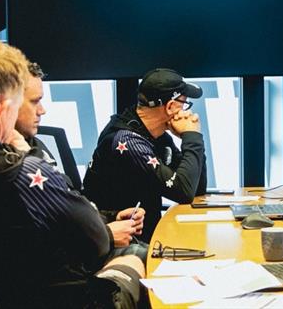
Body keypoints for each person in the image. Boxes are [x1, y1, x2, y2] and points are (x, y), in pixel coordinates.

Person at [0, 38, 145, 308]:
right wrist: (28, 154)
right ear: (0, 111)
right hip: (63, 300)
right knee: (137, 255)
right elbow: (100, 242)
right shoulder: (25, 172)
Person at [14, 61, 147, 251]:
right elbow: (40, 237)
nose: (42, 110)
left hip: (91, 238)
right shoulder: (9, 165)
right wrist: (106, 235)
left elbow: (69, 205)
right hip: (75, 261)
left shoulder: (34, 144)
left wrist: (109, 218)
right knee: (145, 258)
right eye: (35, 101)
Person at [83, 68, 208, 242]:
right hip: (120, 242)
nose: (186, 110)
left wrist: (191, 139)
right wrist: (192, 136)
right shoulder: (127, 141)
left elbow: (196, 188)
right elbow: (184, 192)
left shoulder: (156, 135)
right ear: (170, 106)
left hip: (147, 235)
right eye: (184, 103)